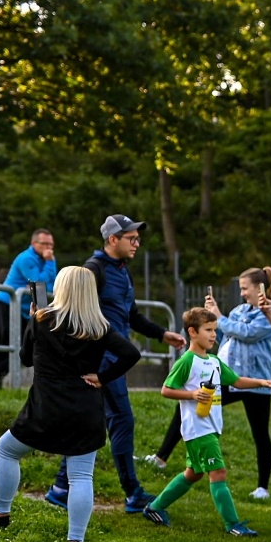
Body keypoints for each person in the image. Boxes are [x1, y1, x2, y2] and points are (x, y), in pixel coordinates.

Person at [0, 266, 142, 542]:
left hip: (45, 408)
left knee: (6, 449)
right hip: (85, 409)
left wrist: (33, 320)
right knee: (81, 475)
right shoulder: (99, 327)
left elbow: (25, 359)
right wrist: (102, 377)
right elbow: (132, 353)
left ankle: (0, 512)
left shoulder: (43, 320)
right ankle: (76, 539)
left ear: (62, 288)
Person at [47, 215, 186, 514]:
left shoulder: (122, 271)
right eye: (131, 238)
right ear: (113, 239)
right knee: (121, 420)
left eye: (138, 238)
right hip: (101, 359)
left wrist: (162, 334)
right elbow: (73, 310)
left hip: (114, 357)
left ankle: (61, 487)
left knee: (92, 420)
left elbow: (131, 315)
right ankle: (132, 493)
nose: (137, 244)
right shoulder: (92, 270)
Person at [148, 269, 271, 498]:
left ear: (259, 288)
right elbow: (224, 337)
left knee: (260, 433)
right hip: (228, 376)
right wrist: (215, 325)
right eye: (241, 288)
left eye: (245, 288)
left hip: (252, 380)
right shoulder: (238, 311)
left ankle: (263, 487)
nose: (242, 293)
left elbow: (247, 333)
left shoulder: (270, 315)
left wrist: (219, 317)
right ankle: (161, 458)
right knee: (184, 406)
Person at [141, 308, 271, 535]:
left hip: (211, 427)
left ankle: (154, 507)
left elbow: (236, 380)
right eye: (209, 330)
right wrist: (192, 395)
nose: (214, 335)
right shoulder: (187, 361)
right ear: (193, 332)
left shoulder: (213, 361)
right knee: (218, 473)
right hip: (197, 429)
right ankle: (233, 525)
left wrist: (261, 382)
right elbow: (166, 390)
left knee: (193, 473)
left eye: (215, 330)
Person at [0, 229, 57, 389]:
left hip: (26, 308)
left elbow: (52, 285)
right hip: (7, 303)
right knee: (5, 343)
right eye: (44, 244)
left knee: (28, 344)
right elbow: (39, 282)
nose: (48, 248)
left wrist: (46, 271)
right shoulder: (27, 258)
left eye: (51, 244)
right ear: (34, 244)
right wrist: (49, 266)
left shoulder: (48, 260)